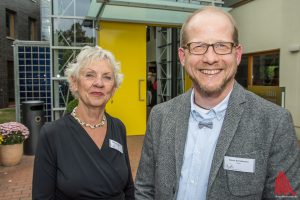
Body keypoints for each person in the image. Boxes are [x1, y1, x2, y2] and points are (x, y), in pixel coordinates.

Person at [135, 6, 300, 200]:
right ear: (182, 56)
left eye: (221, 45)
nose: (210, 58)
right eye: (198, 46)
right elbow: (145, 189)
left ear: (237, 55)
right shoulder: (160, 116)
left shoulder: (274, 123)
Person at [32, 46, 135, 199]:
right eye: (90, 75)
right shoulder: (52, 134)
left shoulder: (118, 127)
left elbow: (128, 188)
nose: (99, 83)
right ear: (74, 83)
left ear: (113, 88)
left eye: (107, 77)